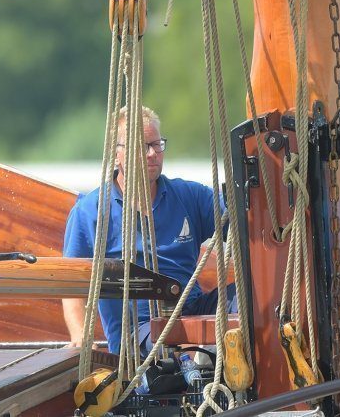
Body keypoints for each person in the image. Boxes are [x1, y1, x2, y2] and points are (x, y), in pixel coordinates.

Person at [62, 106, 228, 355]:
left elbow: (243, 219)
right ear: (116, 154)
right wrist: (79, 335)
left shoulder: (189, 196)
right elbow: (70, 283)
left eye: (157, 144)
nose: (152, 154)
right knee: (167, 346)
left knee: (251, 299)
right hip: (139, 333)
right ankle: (198, 358)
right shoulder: (90, 212)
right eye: (142, 147)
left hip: (192, 309)